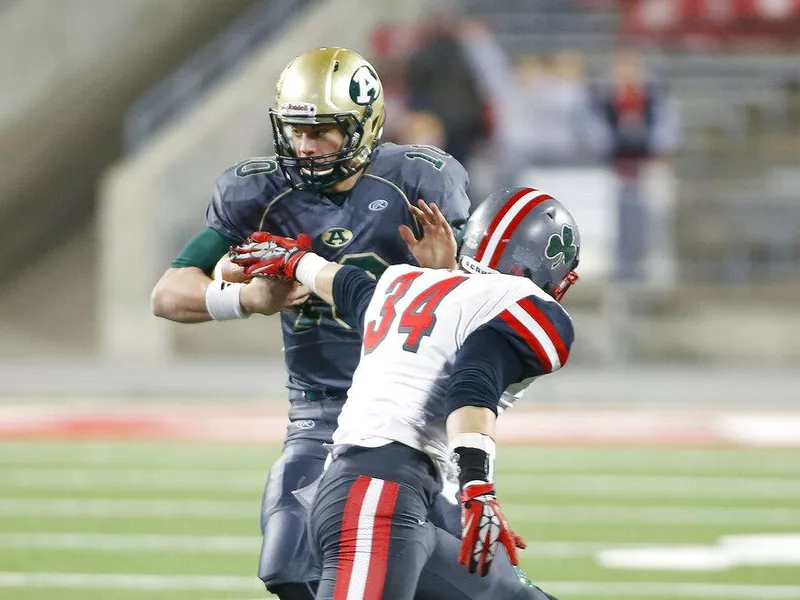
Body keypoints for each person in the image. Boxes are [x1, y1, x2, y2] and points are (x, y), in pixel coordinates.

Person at [150, 46, 479, 600]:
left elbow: (486, 304)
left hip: (412, 414)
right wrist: (249, 298)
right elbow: (168, 293)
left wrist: (447, 275)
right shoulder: (259, 190)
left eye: (324, 130)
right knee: (289, 566)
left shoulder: (420, 181)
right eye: (296, 130)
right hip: (318, 409)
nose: (306, 146)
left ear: (364, 125)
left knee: (440, 577)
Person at [230, 185, 580, 600]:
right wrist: (477, 485)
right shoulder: (522, 302)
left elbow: (348, 286)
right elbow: (471, 382)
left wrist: (296, 260)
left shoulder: (403, 280)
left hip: (387, 494)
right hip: (378, 491)